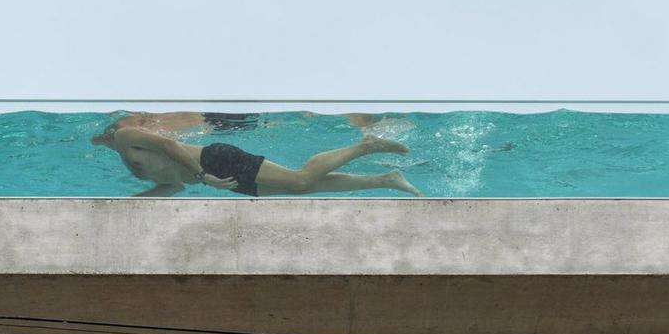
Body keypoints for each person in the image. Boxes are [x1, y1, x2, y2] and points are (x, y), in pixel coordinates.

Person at [90, 112, 423, 197]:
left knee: (300, 179)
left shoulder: (124, 134)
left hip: (214, 162)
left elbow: (171, 146)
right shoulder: (130, 162)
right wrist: (131, 204)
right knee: (304, 188)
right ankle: (386, 179)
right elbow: (173, 187)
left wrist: (206, 176)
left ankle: (366, 146)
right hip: (214, 178)